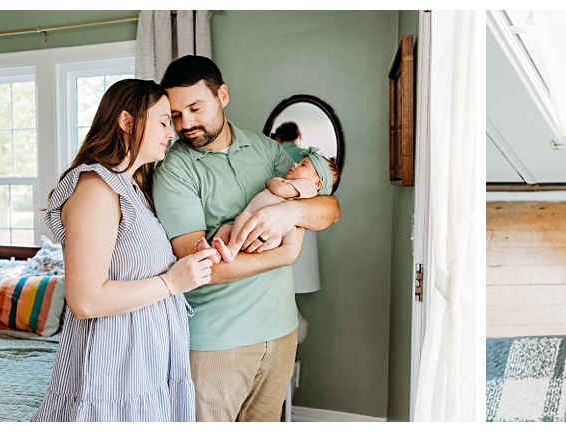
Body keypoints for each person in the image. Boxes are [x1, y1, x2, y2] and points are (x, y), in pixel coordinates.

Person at [151, 55, 342, 422]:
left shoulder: (266, 149)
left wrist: (292, 212)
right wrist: (283, 255)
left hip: (282, 331)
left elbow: (329, 209)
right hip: (216, 344)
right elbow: (198, 265)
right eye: (175, 115)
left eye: (195, 108)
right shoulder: (175, 169)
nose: (185, 123)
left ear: (222, 95)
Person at [32, 79, 218, 421]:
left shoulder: (132, 187)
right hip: (116, 367)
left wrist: (195, 262)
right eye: (163, 121)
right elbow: (85, 300)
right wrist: (172, 284)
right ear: (127, 121)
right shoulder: (96, 190)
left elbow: (137, 265)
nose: (172, 132)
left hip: (145, 361)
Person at [211, 150, 337, 256]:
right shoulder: (296, 184)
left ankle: (231, 250)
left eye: (303, 165)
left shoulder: (308, 187)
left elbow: (279, 190)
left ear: (318, 183)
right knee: (225, 229)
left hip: (261, 228)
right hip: (253, 223)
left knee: (242, 219)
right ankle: (215, 254)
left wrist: (272, 182)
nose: (294, 164)